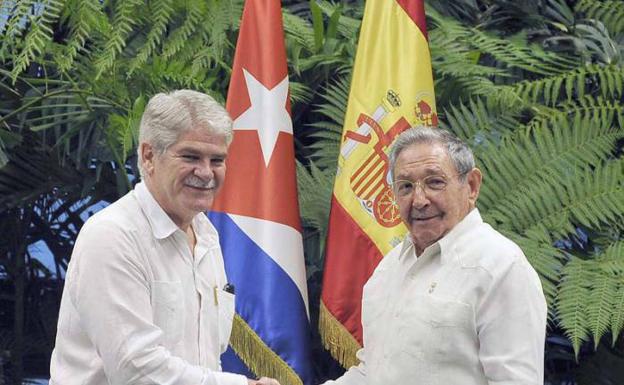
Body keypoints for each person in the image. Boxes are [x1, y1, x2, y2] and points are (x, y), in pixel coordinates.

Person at [50, 90, 280, 385]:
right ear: (149, 156)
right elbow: (134, 369)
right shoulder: (112, 236)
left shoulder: (206, 235)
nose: (206, 173)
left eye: (217, 160)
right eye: (191, 156)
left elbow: (206, 357)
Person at [323, 127, 547, 384]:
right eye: (405, 186)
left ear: (471, 186)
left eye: (435, 182)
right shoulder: (388, 269)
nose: (419, 200)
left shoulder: (501, 267)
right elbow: (372, 373)